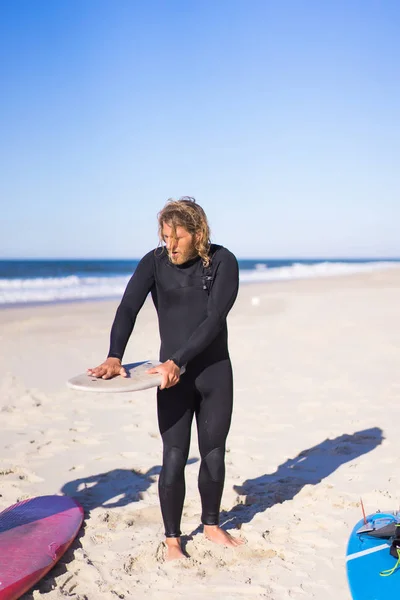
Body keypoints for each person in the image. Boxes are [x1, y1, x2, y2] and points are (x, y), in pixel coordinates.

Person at [88, 197, 244, 560]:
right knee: (174, 454)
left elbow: (214, 318)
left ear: (198, 233)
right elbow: (128, 306)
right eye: (164, 236)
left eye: (177, 237)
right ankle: (173, 540)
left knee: (213, 452)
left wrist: (177, 360)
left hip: (213, 372)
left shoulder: (223, 262)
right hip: (172, 379)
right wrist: (115, 355)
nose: (170, 245)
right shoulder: (154, 262)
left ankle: (211, 525)